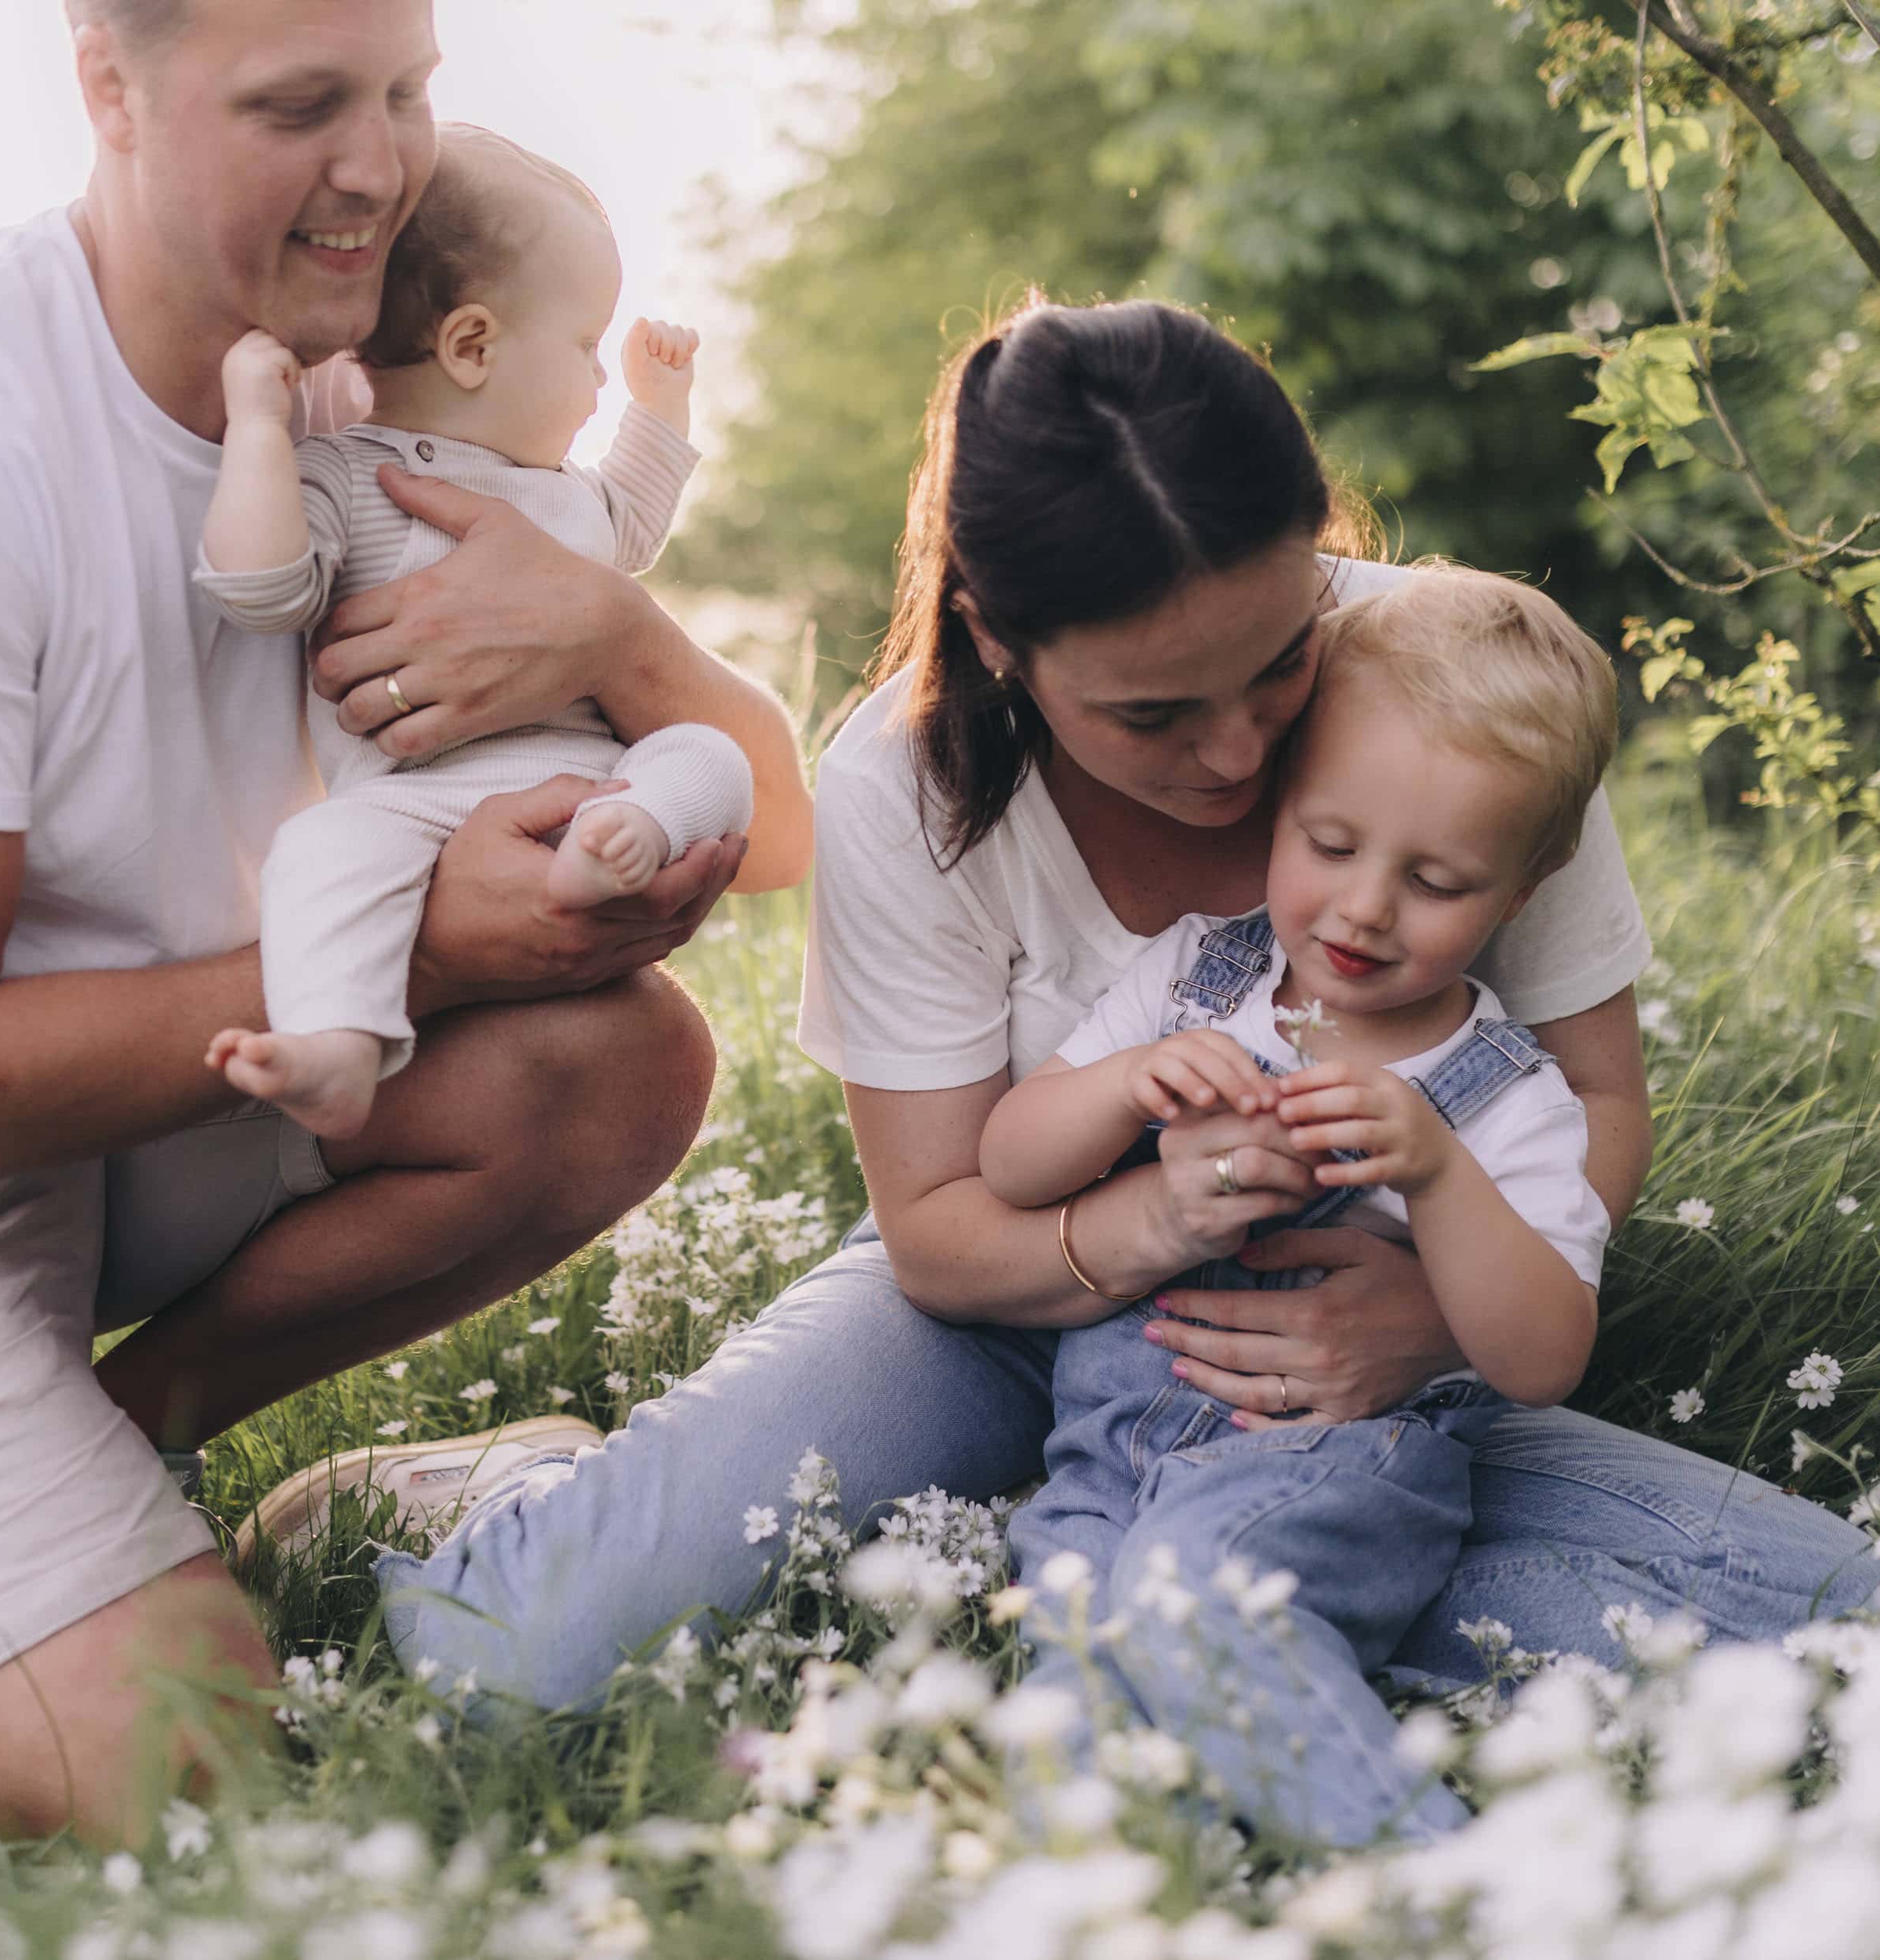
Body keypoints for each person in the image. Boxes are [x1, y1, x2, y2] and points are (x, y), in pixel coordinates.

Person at [376, 299, 1875, 1766]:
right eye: (1153, 716)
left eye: (1281, 666)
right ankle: (523, 1489)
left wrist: (1424, 1332)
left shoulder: (1466, 693)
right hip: (1007, 1311)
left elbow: (1600, 1101)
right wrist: (1161, 1213)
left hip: (1361, 1372)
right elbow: (944, 1238)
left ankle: (1144, 1573)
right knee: (519, 1658)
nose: (1236, 756)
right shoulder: (904, 784)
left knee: (1833, 1634)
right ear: (1001, 641)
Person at [0, 0, 811, 1845]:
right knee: (183, 1775)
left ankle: (140, 1444)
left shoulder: (379, 387)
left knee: (618, 1056)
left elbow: (790, 832)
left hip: (151, 1114)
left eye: (406, 92)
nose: (377, 169)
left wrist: (614, 644)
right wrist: (406, 949)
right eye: (299, 106)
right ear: (107, 87)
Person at [979, 566, 1619, 1842]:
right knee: (1071, 1676)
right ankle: (1139, 1897)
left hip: (1333, 1460)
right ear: (1281, 807)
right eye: (1331, 846)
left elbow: (1544, 1356)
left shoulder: (1498, 1094)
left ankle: (1429, 1887)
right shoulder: (1196, 980)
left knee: (1197, 1600)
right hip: (1105, 1457)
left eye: (1437, 883)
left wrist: (1436, 1175)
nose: (1366, 910)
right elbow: (1007, 1161)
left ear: (1520, 895)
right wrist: (1122, 1089)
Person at [198, 124, 752, 1141]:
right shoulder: (346, 476)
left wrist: (659, 408)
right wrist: (261, 438)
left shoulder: (566, 494)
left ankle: (619, 843)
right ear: (472, 346)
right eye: (587, 348)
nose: (598, 382)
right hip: (416, 808)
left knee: (713, 754)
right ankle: (336, 1042)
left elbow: (634, 523)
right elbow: (262, 590)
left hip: (595, 780)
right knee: (324, 848)